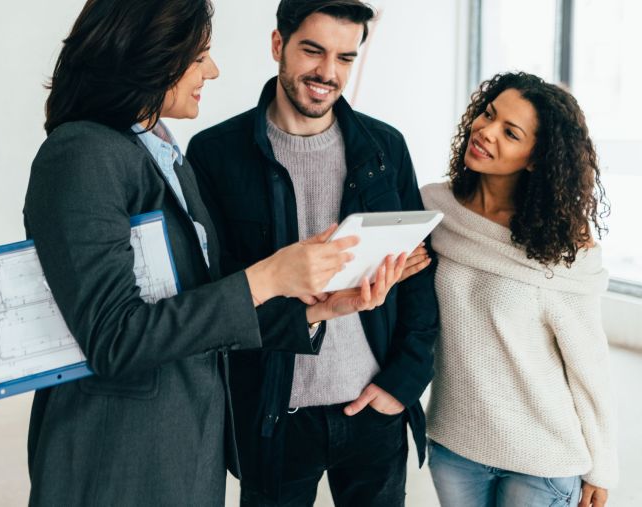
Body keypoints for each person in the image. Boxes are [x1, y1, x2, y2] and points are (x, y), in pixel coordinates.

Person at [22, 0, 398, 505]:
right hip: (122, 455)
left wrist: (316, 309)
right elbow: (114, 338)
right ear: (152, 56)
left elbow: (203, 309)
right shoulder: (82, 154)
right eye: (199, 57)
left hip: (187, 438)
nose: (213, 71)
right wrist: (267, 276)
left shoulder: (161, 153)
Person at [187, 1, 439, 505]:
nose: (328, 72)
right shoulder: (214, 154)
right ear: (278, 45)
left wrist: (403, 383)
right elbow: (215, 295)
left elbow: (418, 279)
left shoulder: (385, 147)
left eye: (345, 58)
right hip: (275, 414)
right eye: (313, 51)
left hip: (373, 408)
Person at [421, 72, 617, 507]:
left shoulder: (562, 246)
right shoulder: (433, 209)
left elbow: (589, 365)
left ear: (535, 158)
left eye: (510, 133)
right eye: (488, 115)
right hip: (455, 444)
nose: (485, 132)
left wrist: (601, 466)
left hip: (544, 456)